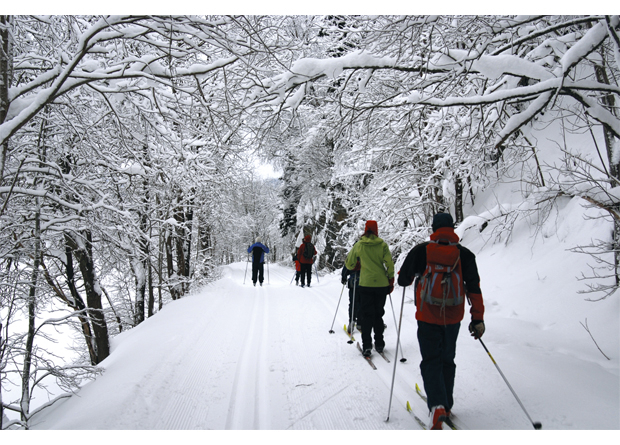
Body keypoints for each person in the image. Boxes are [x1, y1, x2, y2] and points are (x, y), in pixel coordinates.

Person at [397, 212, 485, 430]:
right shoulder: (464, 255)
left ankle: (436, 405)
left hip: (427, 316)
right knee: (447, 359)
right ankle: (446, 405)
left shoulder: (422, 250)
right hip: (453, 318)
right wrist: (478, 319)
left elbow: (402, 279)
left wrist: (415, 275)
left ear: (433, 228)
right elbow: (474, 288)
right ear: (452, 228)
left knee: (430, 360)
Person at [344, 220, 394, 357]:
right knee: (378, 314)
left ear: (365, 229)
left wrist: (356, 266)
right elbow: (389, 263)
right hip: (381, 284)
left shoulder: (359, 245)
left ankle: (367, 346)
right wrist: (391, 278)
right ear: (376, 230)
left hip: (365, 283)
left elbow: (349, 263)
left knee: (366, 315)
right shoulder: (382, 245)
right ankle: (379, 344)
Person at [341, 262, 360, 333]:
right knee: (362, 302)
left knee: (353, 303)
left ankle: (352, 320)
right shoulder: (366, 253)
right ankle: (360, 323)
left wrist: (344, 277)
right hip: (364, 283)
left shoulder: (352, 256)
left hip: (353, 283)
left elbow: (346, 267)